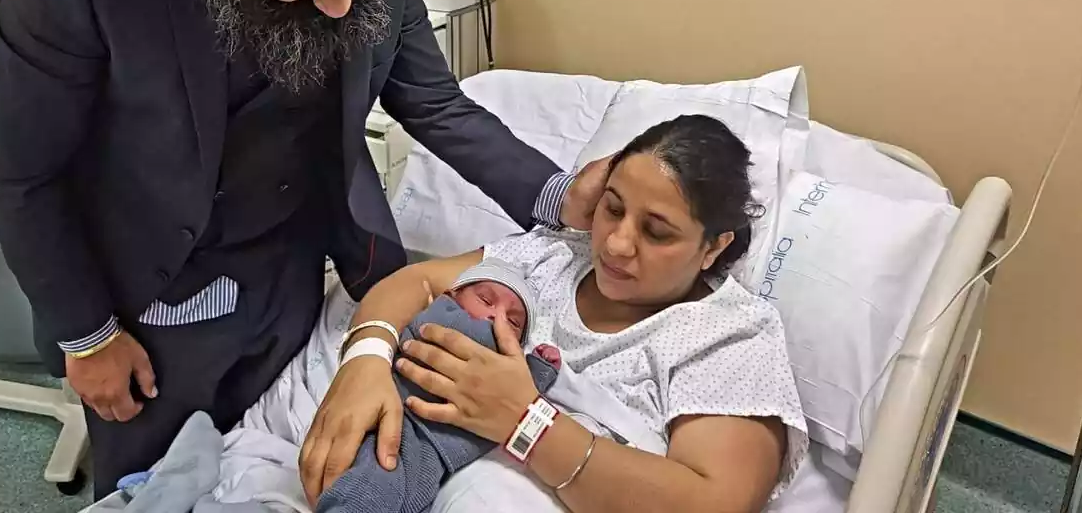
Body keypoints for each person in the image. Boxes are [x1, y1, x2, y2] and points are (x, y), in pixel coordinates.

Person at [0, 0, 604, 500]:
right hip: (143, 288)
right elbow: (19, 167)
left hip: (292, 264)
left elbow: (430, 98)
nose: (341, 11)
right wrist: (88, 334)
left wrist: (561, 198)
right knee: (154, 484)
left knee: (270, 472)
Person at [301, 115, 809, 513]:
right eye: (612, 208)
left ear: (714, 246)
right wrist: (364, 361)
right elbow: (420, 281)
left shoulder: (730, 337)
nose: (616, 243)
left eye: (656, 232)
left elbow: (710, 503)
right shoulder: (554, 254)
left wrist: (525, 420)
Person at [317, 259, 561, 513]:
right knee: (370, 487)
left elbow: (523, 395)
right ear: (450, 296)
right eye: (486, 301)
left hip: (431, 463)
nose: (495, 318)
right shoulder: (439, 315)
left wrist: (539, 370)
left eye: (513, 323)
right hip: (394, 427)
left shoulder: (509, 370)